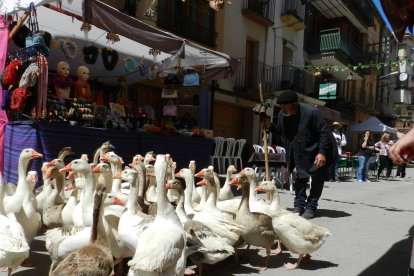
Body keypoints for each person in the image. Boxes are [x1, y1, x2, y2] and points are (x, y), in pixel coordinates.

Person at [265, 90, 337, 219]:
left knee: (317, 178)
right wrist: (270, 126)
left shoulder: (311, 113)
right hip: (298, 149)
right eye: (280, 106)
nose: (281, 109)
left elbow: (324, 133)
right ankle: (299, 204)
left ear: (294, 104)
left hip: (316, 150)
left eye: (284, 106)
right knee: (300, 177)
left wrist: (322, 153)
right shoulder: (283, 114)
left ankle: (311, 206)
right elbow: (282, 133)